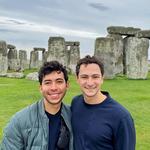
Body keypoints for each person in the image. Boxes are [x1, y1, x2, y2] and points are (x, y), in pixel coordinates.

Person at [1, 61, 73, 150]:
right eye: (47, 82)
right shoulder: (19, 122)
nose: (54, 88)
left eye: (59, 81)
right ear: (40, 88)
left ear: (67, 85)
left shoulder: (74, 116)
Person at [71, 55, 136, 150]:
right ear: (77, 79)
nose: (90, 83)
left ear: (102, 78)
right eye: (84, 77)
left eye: (95, 77)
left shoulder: (121, 116)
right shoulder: (76, 103)